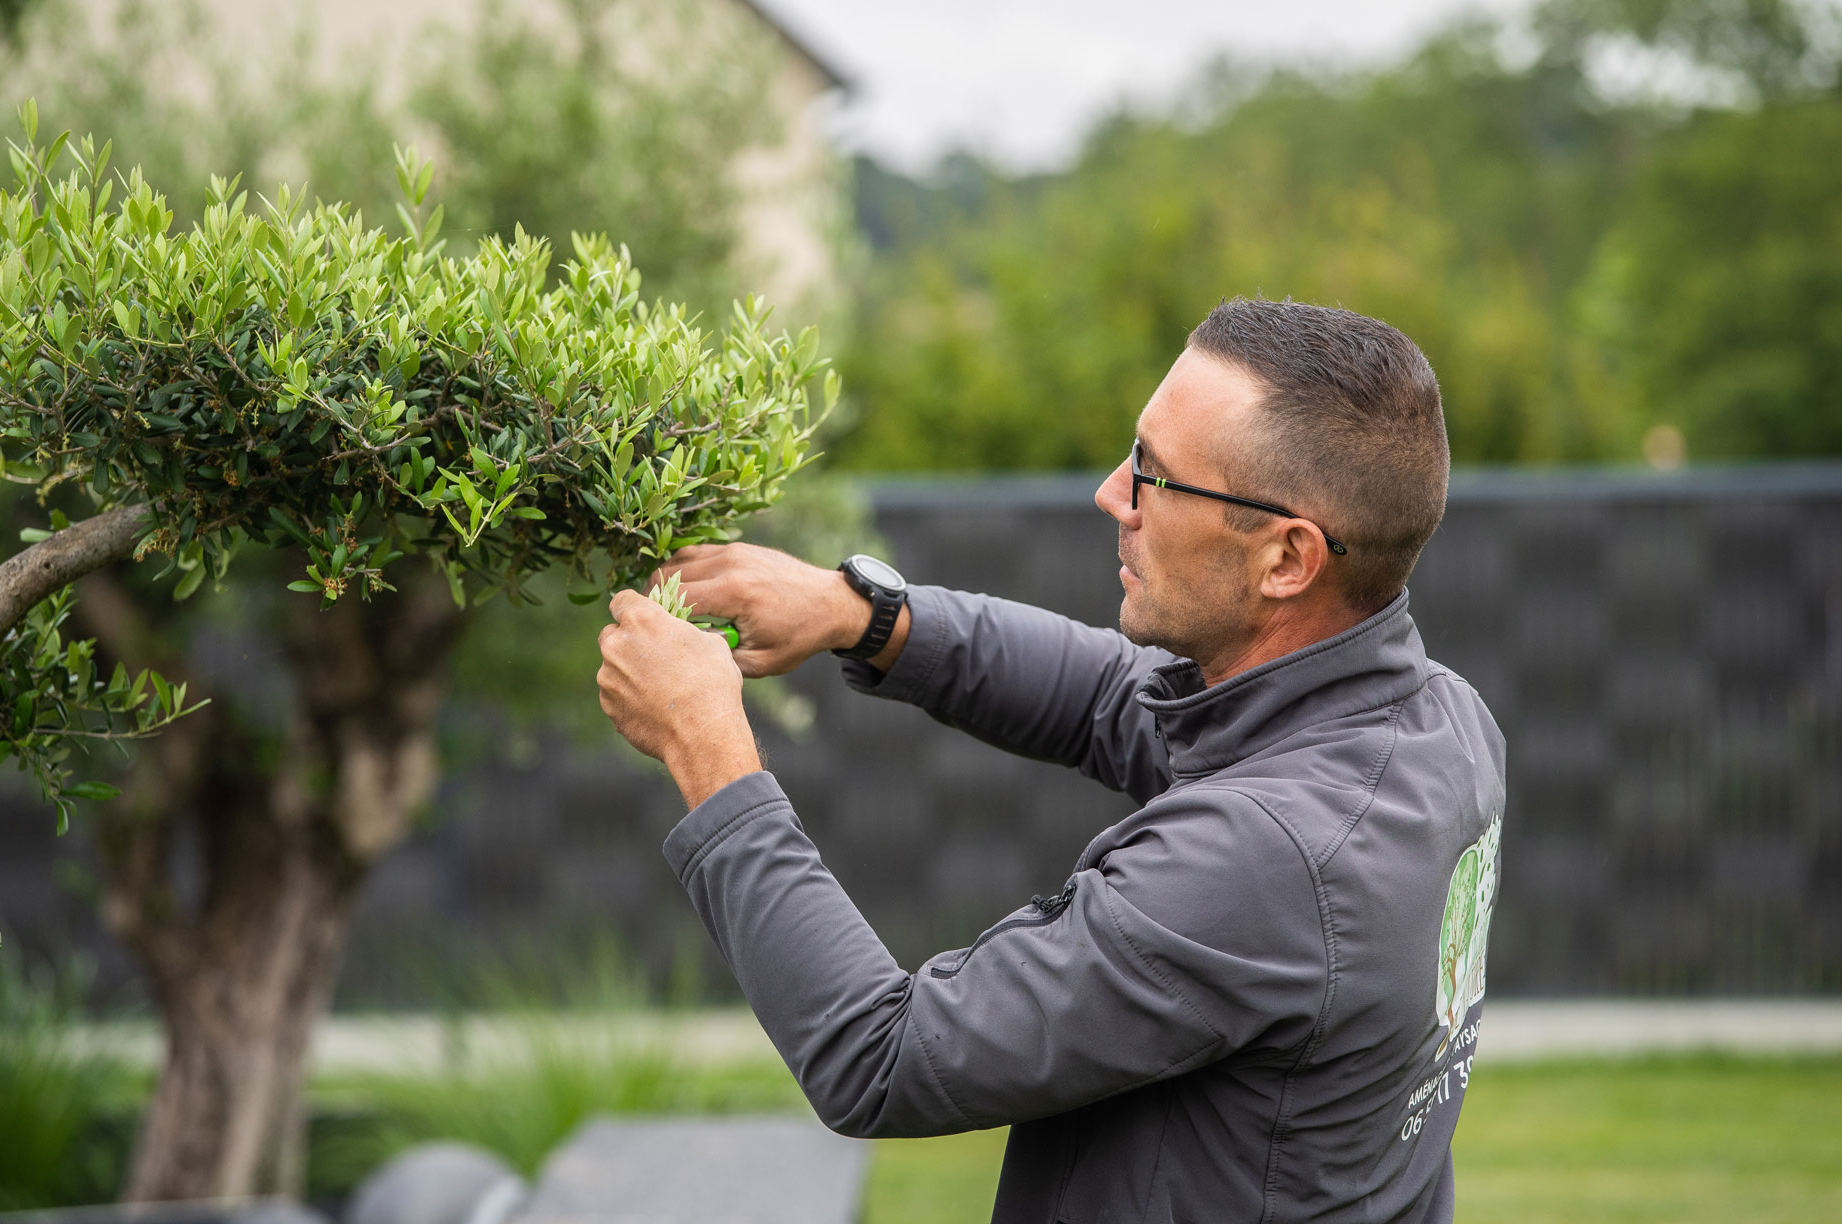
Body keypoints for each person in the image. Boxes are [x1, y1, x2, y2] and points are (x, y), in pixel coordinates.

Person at [596, 297, 1505, 1223]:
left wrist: (705, 747)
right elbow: (1117, 698)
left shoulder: (1264, 862)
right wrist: (861, 614)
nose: (1115, 494)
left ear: (1286, 558)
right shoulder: (1442, 727)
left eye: (1155, 474)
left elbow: (881, 1059)